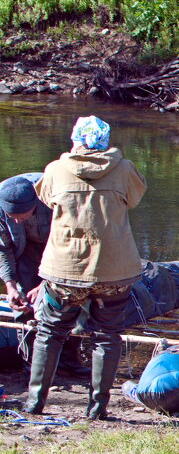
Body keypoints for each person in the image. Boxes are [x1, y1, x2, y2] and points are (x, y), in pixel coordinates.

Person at [21, 116, 147, 419]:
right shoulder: (125, 169)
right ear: (105, 141)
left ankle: (34, 403)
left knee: (49, 332)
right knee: (107, 336)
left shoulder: (54, 169)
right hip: (114, 271)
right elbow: (134, 199)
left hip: (65, 270)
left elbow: (47, 199)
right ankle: (97, 409)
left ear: (75, 139)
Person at [0, 172, 90, 375]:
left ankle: (67, 359)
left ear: (33, 206)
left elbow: (73, 243)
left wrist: (47, 283)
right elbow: (2, 249)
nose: (15, 222)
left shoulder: (57, 198)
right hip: (24, 250)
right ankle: (33, 361)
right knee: (24, 301)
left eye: (19, 216)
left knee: (66, 298)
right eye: (10, 217)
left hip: (61, 247)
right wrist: (10, 284)